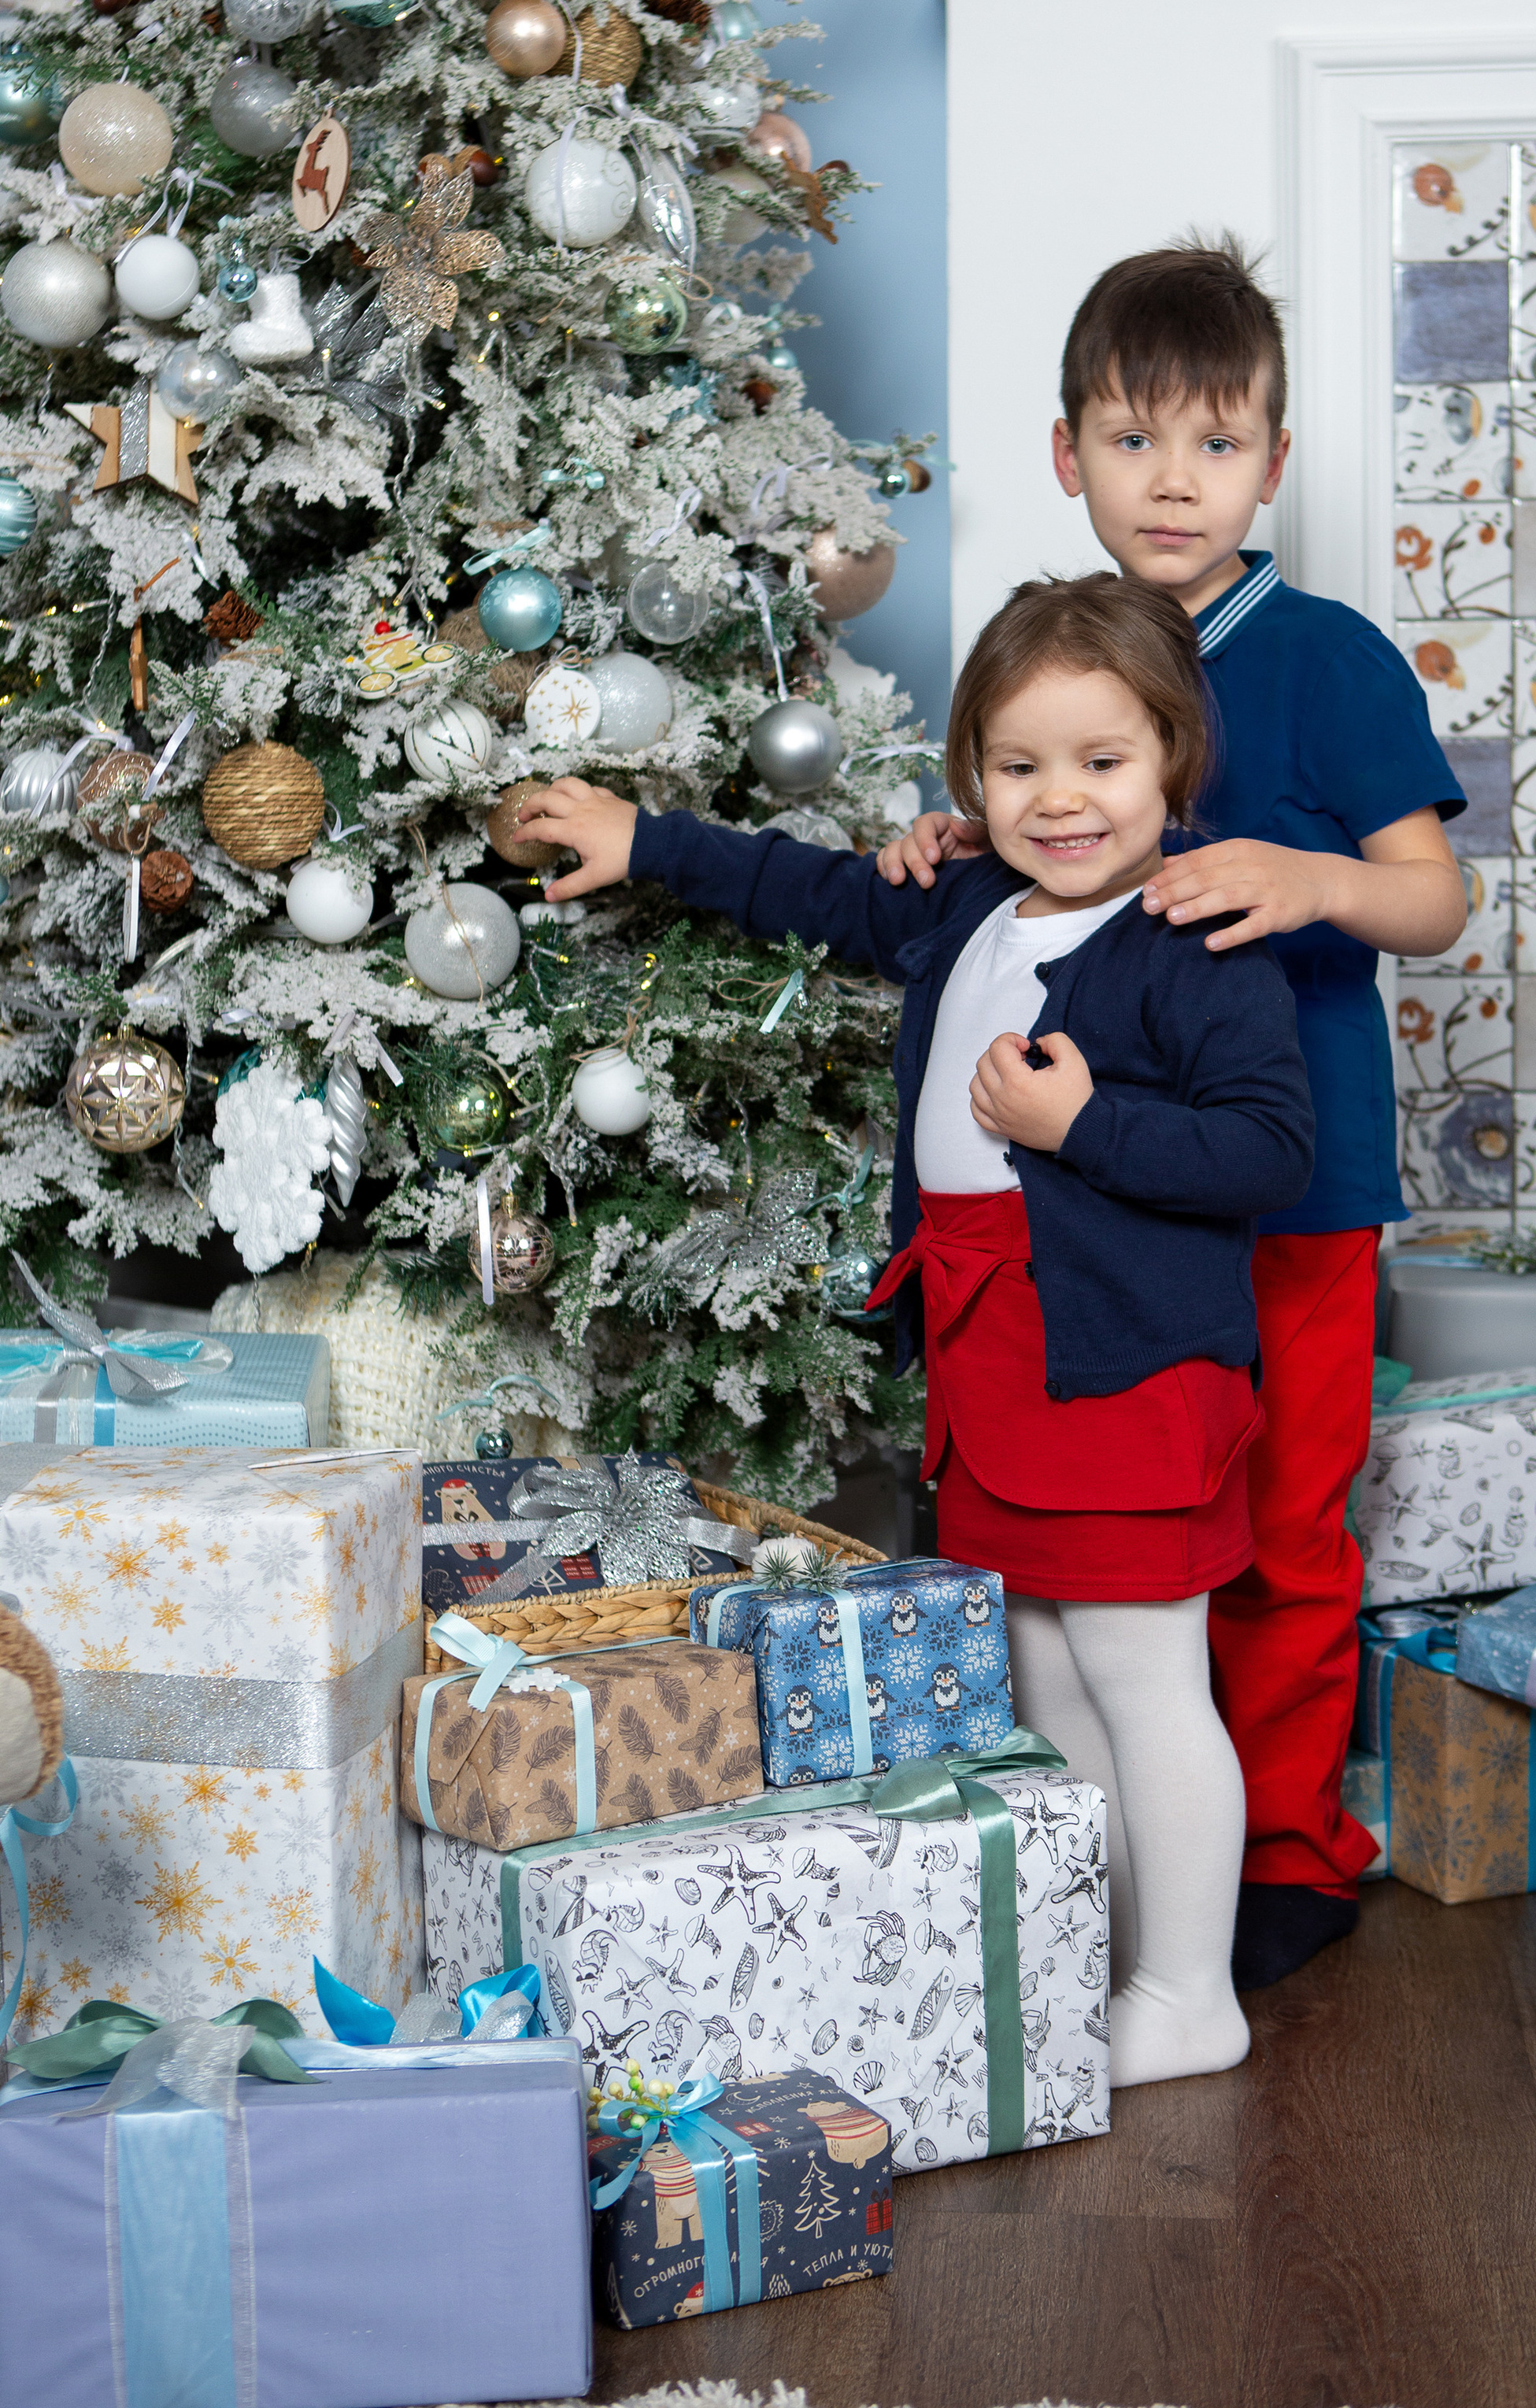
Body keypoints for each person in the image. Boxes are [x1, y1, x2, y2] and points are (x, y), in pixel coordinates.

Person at [515, 573, 1313, 2088]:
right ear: (970, 780)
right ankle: (1119, 1954)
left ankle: (1194, 1988)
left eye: (1102, 762)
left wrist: (1087, 1122)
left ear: (1173, 766)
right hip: (993, 1345)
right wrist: (644, 842)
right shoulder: (966, 900)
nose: (1059, 799)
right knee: (1047, 1673)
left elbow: (1270, 1151)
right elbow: (813, 890)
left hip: (1126, 1360)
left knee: (1150, 1677)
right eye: (1018, 767)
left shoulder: (1194, 942)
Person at [878, 235, 1468, 1991]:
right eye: (1133, 441)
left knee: (1281, 1523)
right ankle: (1130, 1875)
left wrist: (1308, 876)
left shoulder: (1332, 658)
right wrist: (936, 842)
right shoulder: (1063, 664)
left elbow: (1431, 902)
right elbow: (1015, 862)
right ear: (1067, 456)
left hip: (1290, 1184)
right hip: (1095, 1209)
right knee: (1120, 1551)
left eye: (1213, 445)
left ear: (1271, 465)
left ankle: (1283, 1848)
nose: (1171, 480)